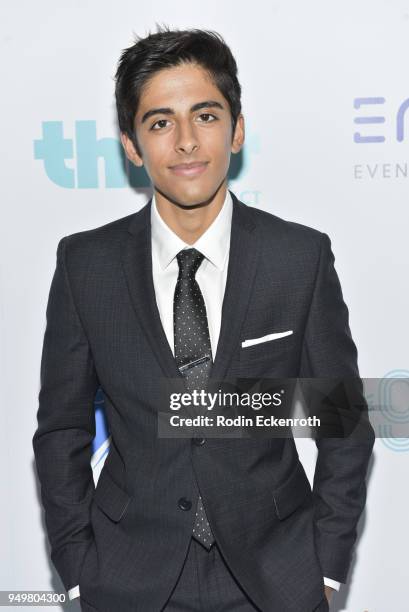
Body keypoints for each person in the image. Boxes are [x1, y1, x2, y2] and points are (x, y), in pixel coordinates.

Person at [32, 26, 375, 612]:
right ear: (132, 146)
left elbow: (341, 421)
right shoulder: (85, 264)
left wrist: (325, 566)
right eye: (161, 122)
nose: (186, 142)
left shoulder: (299, 258)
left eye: (207, 116)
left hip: (277, 575)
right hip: (128, 577)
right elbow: (62, 431)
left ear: (237, 130)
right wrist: (79, 569)